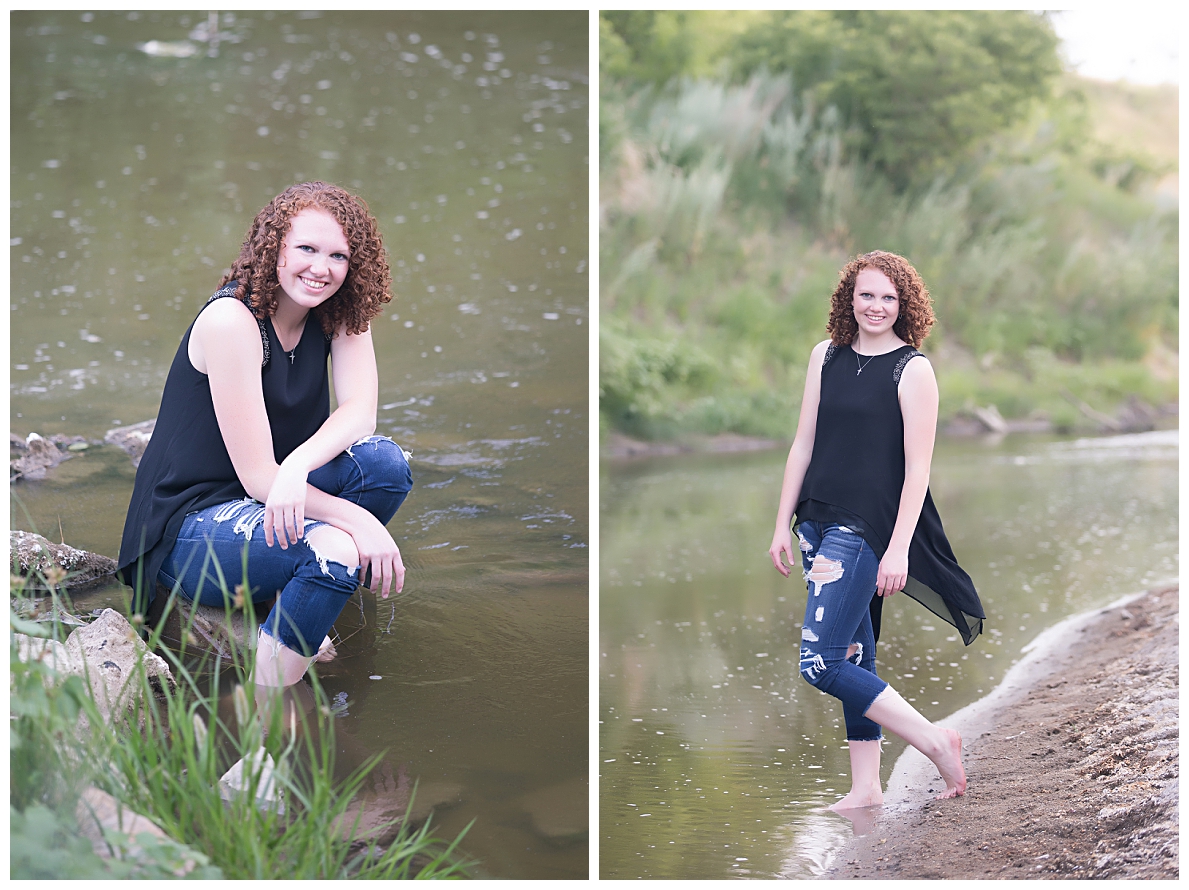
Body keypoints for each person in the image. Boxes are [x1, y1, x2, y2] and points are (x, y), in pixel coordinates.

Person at [117, 181, 413, 690]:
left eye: (338, 255)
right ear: (272, 246)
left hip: (275, 492)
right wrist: (360, 523)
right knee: (336, 549)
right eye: (306, 248)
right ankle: (267, 708)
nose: (321, 269)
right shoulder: (232, 321)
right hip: (191, 526)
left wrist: (297, 468)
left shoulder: (339, 312)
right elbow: (259, 479)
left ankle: (289, 593)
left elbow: (361, 413)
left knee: (386, 464)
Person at [768, 250, 984, 809]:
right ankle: (866, 787)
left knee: (821, 664)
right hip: (815, 522)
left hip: (864, 531)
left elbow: (918, 470)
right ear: (849, 297)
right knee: (856, 654)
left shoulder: (913, 370)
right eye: (867, 294)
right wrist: (779, 525)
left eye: (889, 297)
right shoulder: (826, 356)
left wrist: (898, 550)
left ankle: (935, 740)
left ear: (904, 305)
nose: (877, 306)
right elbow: (803, 444)